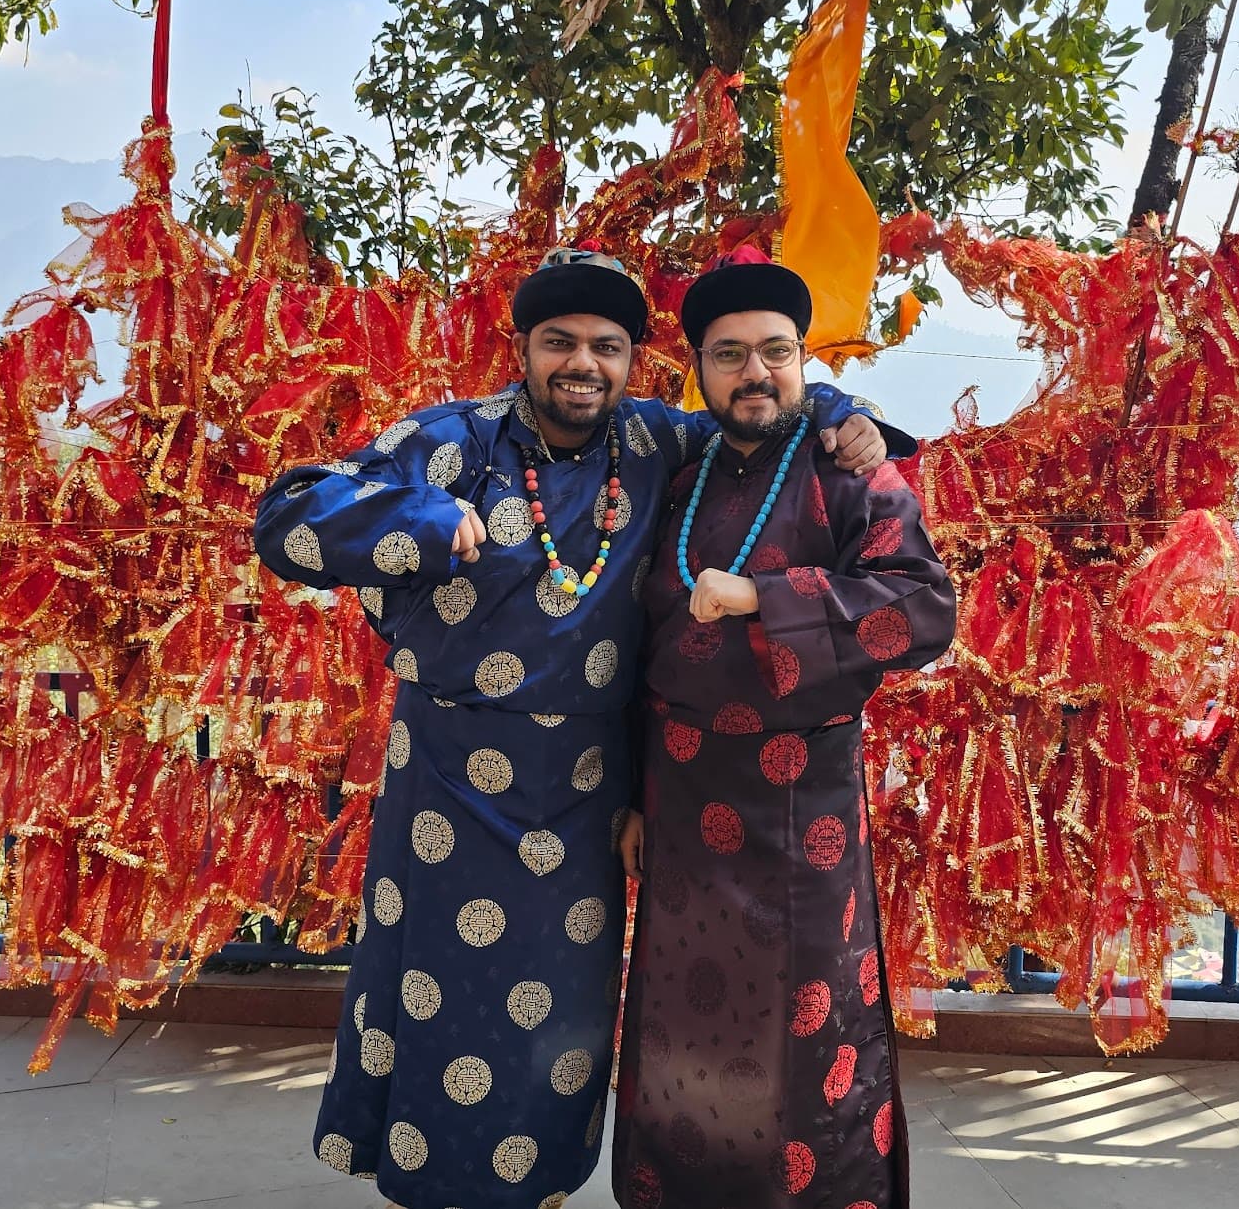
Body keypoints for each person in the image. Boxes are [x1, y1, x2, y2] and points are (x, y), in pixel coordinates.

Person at [252, 246, 912, 1209]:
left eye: (607, 347)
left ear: (632, 361)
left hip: (587, 789)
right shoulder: (454, 442)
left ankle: (545, 1189)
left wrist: (844, 410)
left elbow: (763, 408)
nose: (582, 365)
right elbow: (290, 516)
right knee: (441, 1004)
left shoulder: (654, 444)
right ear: (522, 350)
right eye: (559, 343)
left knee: (563, 1016)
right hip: (449, 776)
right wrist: (418, 521)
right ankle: (437, 1189)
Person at [612, 248, 958, 1209]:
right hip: (679, 802)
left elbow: (923, 610)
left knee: (806, 1043)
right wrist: (633, 795)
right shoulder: (676, 471)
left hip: (799, 807)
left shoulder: (853, 471)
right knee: (685, 1032)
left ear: (804, 359)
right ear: (701, 371)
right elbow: (635, 649)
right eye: (729, 355)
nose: (755, 374)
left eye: (776, 351)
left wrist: (767, 597)